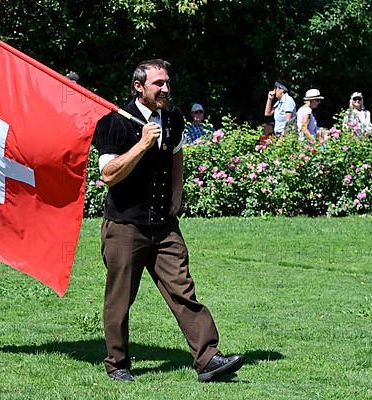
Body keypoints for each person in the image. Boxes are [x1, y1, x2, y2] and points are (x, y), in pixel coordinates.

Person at [92, 59, 244, 383]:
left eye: (166, 82)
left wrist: (177, 193)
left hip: (164, 226)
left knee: (183, 290)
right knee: (120, 299)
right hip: (124, 227)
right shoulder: (113, 123)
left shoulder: (173, 117)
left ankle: (208, 359)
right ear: (139, 87)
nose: (165, 88)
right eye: (157, 83)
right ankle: (117, 363)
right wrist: (143, 143)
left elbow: (176, 152)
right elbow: (108, 174)